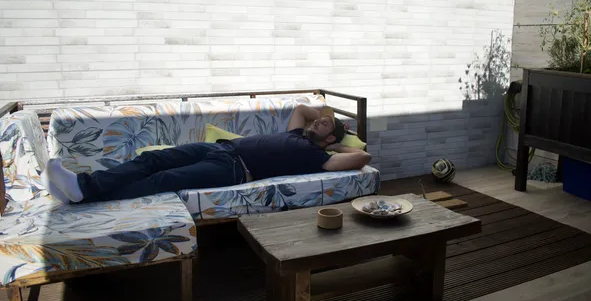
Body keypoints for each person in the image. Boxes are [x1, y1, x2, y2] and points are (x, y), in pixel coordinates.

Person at [42, 105, 372, 204]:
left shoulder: (316, 157)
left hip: (234, 170)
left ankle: (84, 195)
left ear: (329, 138)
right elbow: (302, 108)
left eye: (323, 124)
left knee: (163, 179)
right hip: (219, 148)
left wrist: (338, 143)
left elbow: (363, 158)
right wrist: (326, 117)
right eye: (319, 120)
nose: (316, 121)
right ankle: (83, 185)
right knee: (152, 159)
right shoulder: (296, 132)